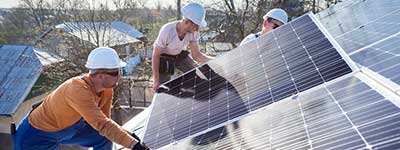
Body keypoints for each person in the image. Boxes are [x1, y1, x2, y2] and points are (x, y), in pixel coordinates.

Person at [14, 47, 148, 150]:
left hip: (68, 129)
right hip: (36, 136)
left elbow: (104, 122)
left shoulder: (106, 90)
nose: (119, 77)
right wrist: (135, 146)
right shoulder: (77, 90)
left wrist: (128, 134)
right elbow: (103, 125)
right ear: (100, 75)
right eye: (115, 73)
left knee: (103, 138)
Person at [152, 2, 212, 91]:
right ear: (187, 22)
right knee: (162, 88)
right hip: (164, 59)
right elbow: (155, 56)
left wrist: (216, 61)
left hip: (179, 55)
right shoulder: (167, 30)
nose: (198, 29)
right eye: (196, 25)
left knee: (196, 75)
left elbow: (196, 55)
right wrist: (156, 80)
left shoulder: (193, 33)